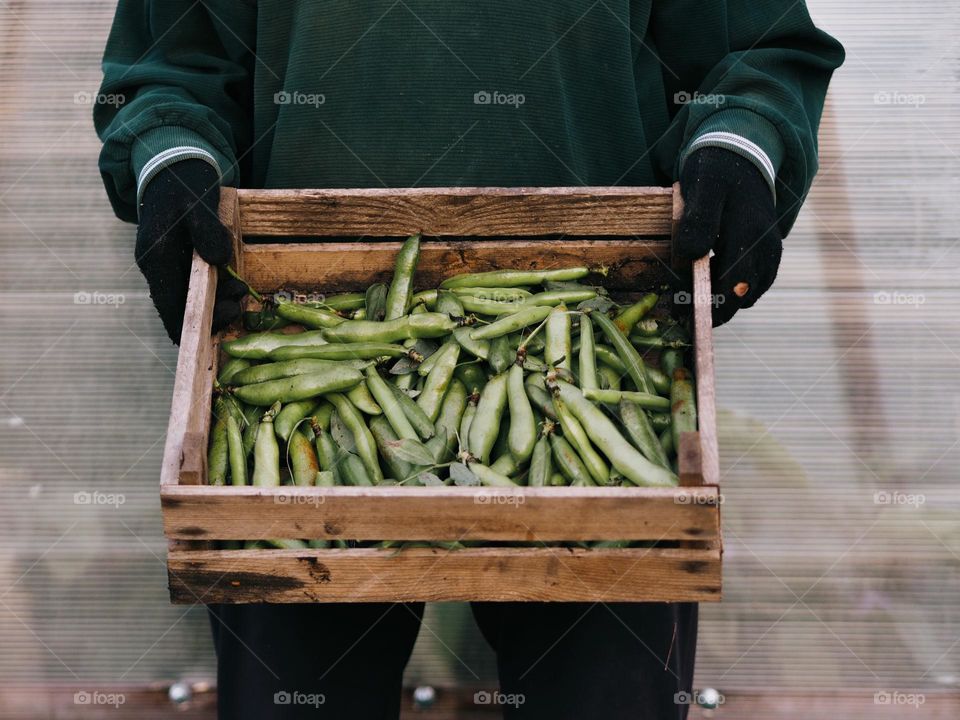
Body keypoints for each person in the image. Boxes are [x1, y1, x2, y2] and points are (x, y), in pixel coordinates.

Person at [95, 3, 843, 718]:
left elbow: (753, 45)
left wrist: (741, 144)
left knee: (602, 697)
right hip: (300, 336)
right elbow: (176, 55)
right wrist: (171, 157)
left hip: (599, 326)